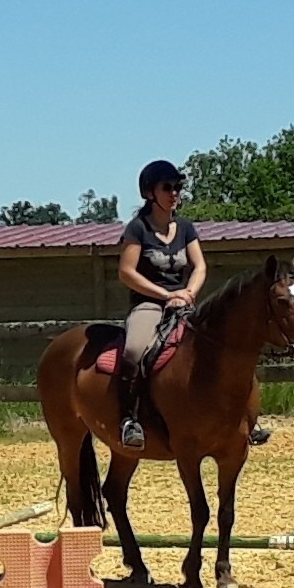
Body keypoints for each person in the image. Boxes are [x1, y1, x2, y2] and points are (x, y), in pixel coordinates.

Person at [113, 160, 207, 448]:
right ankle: (130, 420)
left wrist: (188, 292)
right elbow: (126, 272)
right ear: (149, 193)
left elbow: (200, 266)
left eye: (178, 187)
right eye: (168, 187)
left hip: (184, 304)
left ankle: (240, 417)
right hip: (149, 305)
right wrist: (166, 295)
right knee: (134, 349)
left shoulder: (186, 228)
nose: (175, 193)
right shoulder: (138, 229)